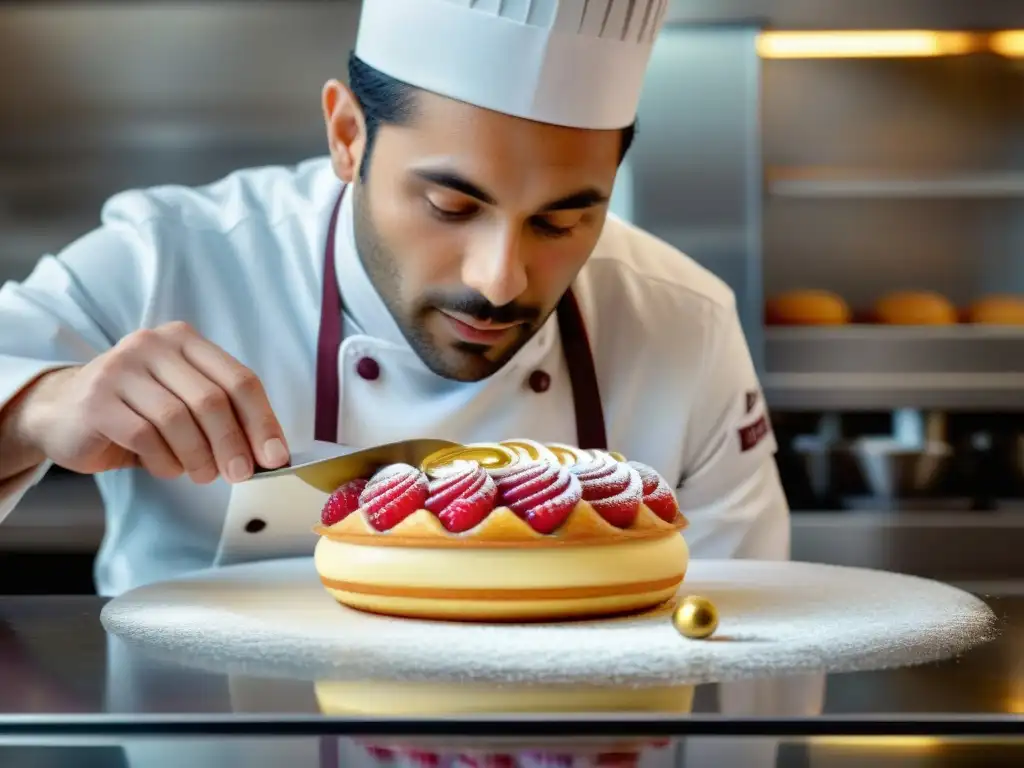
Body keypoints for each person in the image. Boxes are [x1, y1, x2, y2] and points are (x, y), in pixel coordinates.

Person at [0, 0, 789, 600]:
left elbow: (740, 635)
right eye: (450, 207)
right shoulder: (170, 256)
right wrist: (36, 406)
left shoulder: (686, 322)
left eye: (563, 220)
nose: (498, 280)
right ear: (347, 136)